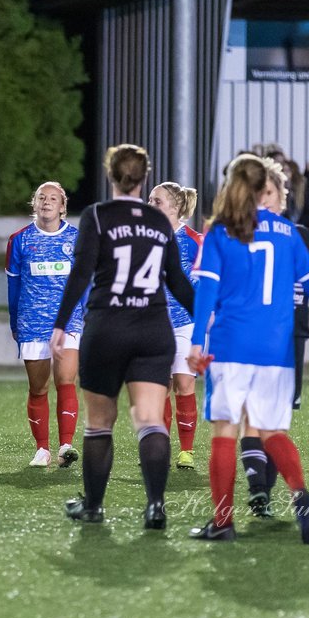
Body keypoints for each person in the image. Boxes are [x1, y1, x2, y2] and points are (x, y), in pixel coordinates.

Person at [187, 154, 309, 544]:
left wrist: (195, 343)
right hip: (277, 350)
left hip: (232, 344)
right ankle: (300, 495)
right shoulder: (289, 231)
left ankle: (222, 522)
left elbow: (206, 289)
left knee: (226, 431)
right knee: (273, 431)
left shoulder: (222, 231)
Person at [55, 145, 196, 528]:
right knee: (150, 420)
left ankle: (94, 507)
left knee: (100, 422)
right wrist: (209, 318)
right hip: (153, 329)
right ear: (144, 176)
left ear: (110, 174)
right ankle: (155, 506)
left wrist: (60, 322)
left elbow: (81, 273)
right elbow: (178, 281)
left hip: (107, 328)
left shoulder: (98, 215)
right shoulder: (158, 221)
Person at [239, 159, 309, 518]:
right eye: (257, 195)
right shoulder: (242, 234)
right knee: (251, 415)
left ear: (282, 197)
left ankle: (267, 489)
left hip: (291, 336)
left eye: (269, 193)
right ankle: (259, 491)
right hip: (250, 336)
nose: (263, 201)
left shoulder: (301, 236)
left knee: (274, 421)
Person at [6, 181, 86, 468]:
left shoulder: (77, 239)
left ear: (63, 206)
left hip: (68, 322)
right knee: (38, 388)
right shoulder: (19, 240)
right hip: (32, 322)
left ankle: (66, 445)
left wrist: (84, 313)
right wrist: (14, 321)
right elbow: (13, 286)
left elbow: (84, 283)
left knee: (67, 381)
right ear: (35, 203)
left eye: (54, 198)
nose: (47, 202)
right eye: (42, 197)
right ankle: (42, 449)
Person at [147, 180, 201, 469]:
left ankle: (187, 451)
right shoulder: (144, 237)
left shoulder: (194, 239)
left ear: (176, 207)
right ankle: (161, 449)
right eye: (149, 200)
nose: (150, 206)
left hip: (185, 323)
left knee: (183, 383)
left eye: (157, 201)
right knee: (159, 388)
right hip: (152, 322)